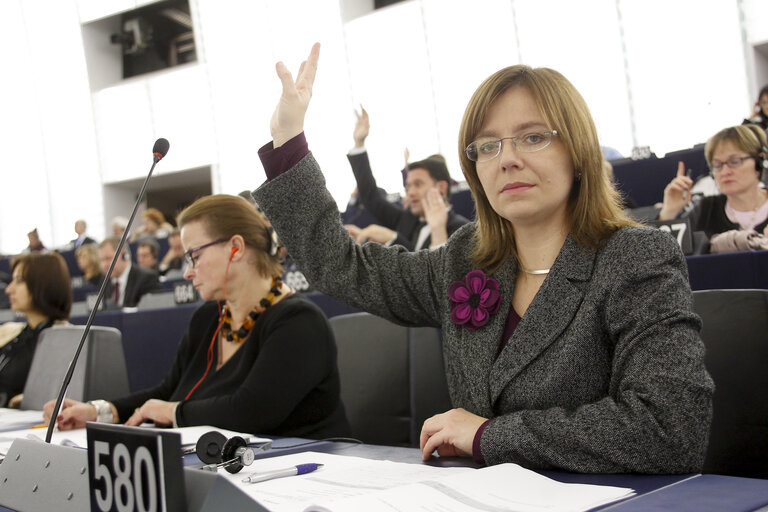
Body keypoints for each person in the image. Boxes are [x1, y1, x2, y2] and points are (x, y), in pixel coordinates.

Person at [252, 44, 712, 473]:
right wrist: (288, 140)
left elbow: (668, 428)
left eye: (532, 137)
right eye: (487, 146)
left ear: (578, 154)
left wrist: (490, 436)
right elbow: (342, 265)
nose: (506, 159)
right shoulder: (465, 259)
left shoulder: (636, 258)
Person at [44, 194, 350, 437]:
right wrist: (99, 412)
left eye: (195, 256)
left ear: (236, 248)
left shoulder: (298, 321)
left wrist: (173, 412)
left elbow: (251, 412)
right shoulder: (209, 317)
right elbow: (168, 392)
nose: (188, 272)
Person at [346, 107, 469, 250]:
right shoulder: (407, 218)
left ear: (441, 187)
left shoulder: (462, 231)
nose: (410, 193)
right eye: (408, 186)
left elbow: (436, 271)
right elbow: (371, 196)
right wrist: (359, 144)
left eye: (418, 184)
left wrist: (393, 238)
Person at [658, 124, 768, 238]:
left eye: (734, 161)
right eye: (717, 165)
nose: (725, 172)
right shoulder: (704, 210)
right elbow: (660, 251)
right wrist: (668, 213)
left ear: (759, 162)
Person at [0, 253, 72, 407]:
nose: (9, 289)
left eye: (19, 281)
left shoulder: (62, 340)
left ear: (42, 285)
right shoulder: (12, 334)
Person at [98, 237, 160, 308]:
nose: (104, 265)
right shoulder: (104, 280)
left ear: (125, 256)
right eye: (101, 260)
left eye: (108, 258)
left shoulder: (147, 278)